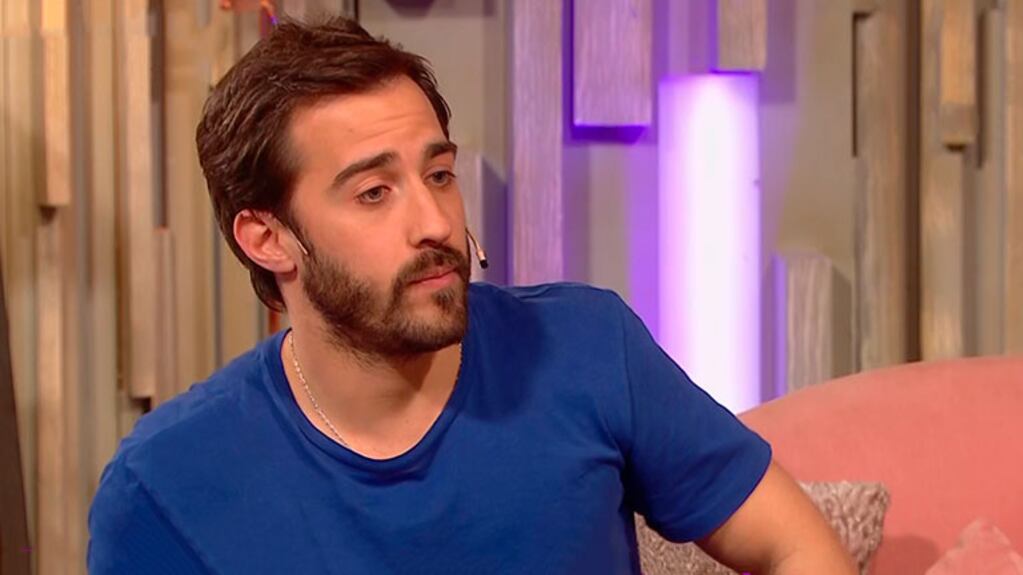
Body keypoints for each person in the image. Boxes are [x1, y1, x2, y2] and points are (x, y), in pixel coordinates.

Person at [87, 17, 856, 574]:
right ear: (268, 237)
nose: (434, 222)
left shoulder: (586, 348)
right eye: (374, 192)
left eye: (439, 174)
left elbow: (798, 547)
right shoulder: (166, 485)